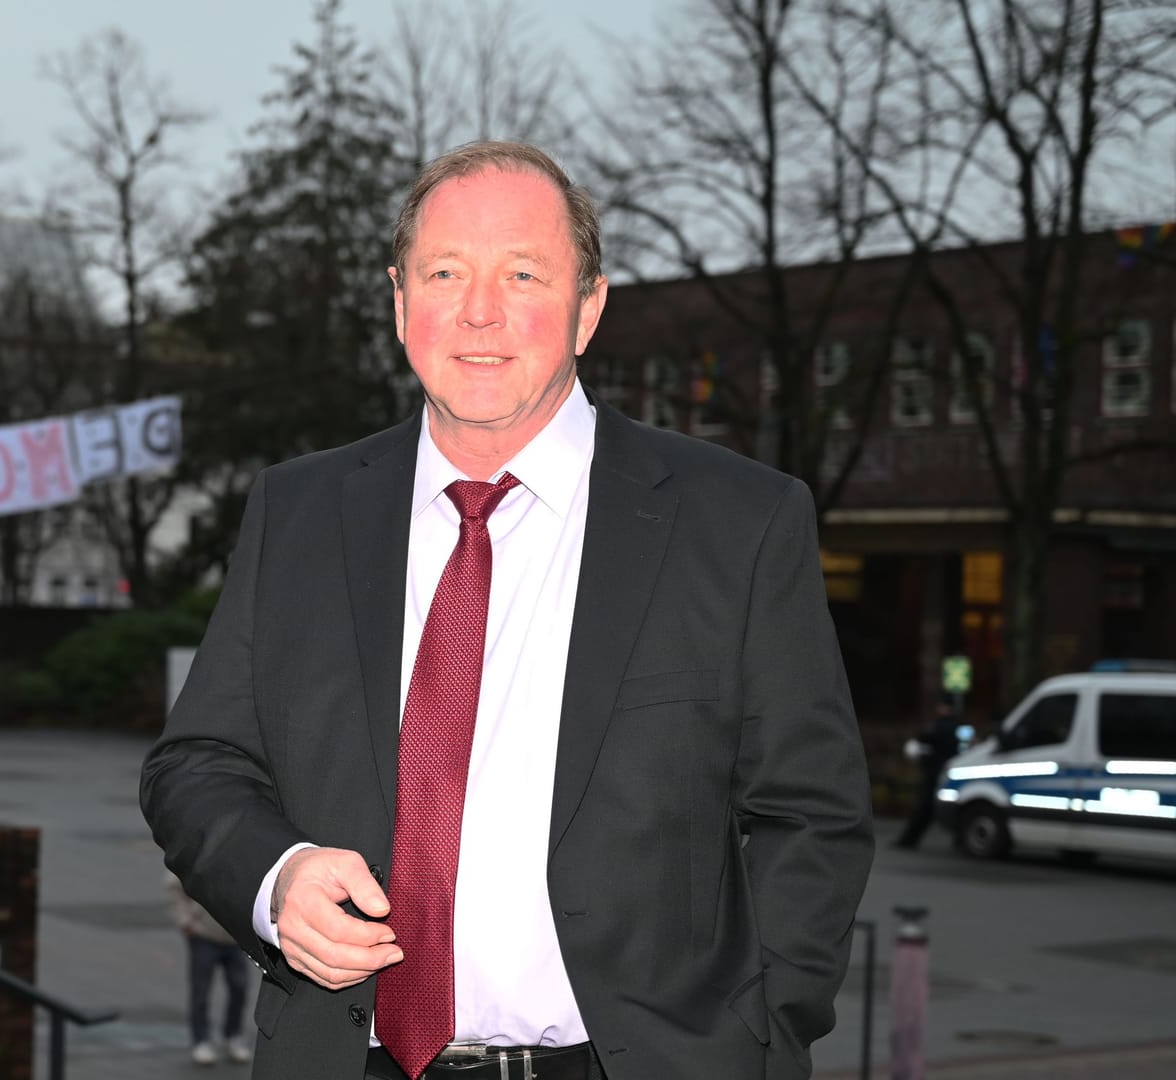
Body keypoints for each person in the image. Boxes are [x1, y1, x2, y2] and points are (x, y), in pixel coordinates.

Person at [141, 141, 874, 1080]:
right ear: (401, 301)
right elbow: (197, 763)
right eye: (446, 272)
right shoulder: (300, 511)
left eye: (523, 273)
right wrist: (273, 880)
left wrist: (764, 1034)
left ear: (588, 307)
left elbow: (812, 813)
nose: (479, 311)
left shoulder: (736, 520)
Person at [167, 869, 254, 1067]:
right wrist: (185, 921)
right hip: (203, 936)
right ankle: (201, 1041)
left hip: (235, 937)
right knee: (201, 990)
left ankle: (233, 1036)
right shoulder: (200, 841)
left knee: (239, 987)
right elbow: (174, 885)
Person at [895, 700, 961, 850]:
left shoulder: (941, 727)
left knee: (925, 807)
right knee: (931, 807)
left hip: (935, 773)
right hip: (944, 772)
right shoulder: (953, 726)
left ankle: (909, 840)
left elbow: (927, 741)